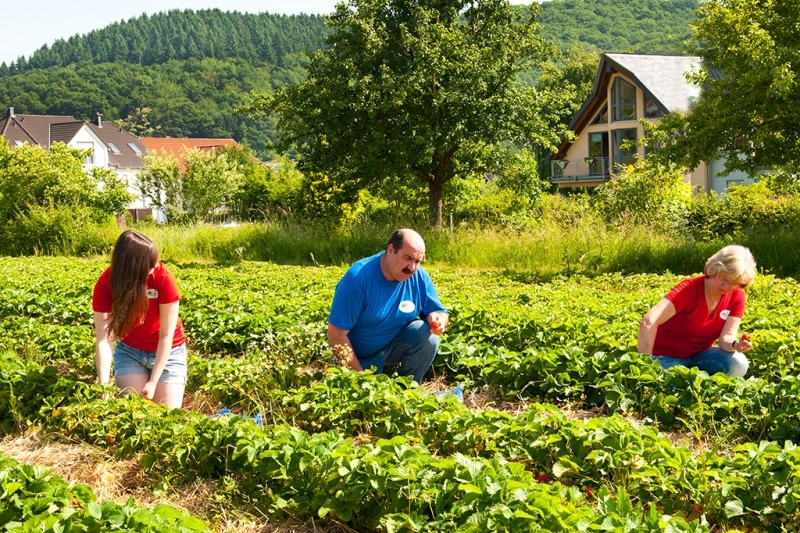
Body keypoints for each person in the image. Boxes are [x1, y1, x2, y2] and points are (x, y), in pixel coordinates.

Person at [327, 228, 448, 384]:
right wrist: (362, 380)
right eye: (407, 258)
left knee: (428, 337)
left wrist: (438, 319)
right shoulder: (357, 279)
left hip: (392, 346)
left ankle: (406, 391)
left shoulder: (419, 277)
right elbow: (336, 334)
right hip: (358, 356)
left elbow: (440, 312)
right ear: (390, 250)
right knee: (362, 403)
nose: (412, 267)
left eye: (417, 261)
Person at [92, 230, 187, 408]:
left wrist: (153, 382)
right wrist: (103, 385)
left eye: (154, 263)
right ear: (131, 269)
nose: (153, 269)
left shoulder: (163, 277)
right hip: (130, 351)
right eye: (148, 266)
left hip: (169, 352)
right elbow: (104, 340)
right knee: (133, 410)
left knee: (167, 415)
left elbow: (165, 336)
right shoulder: (106, 283)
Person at [638, 244, 756, 377]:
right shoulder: (690, 289)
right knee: (677, 387)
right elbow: (648, 321)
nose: (726, 286)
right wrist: (646, 365)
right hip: (666, 356)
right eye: (724, 278)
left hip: (701, 355)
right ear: (714, 269)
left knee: (738, 363)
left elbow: (726, 337)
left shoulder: (737, 295)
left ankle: (711, 392)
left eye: (734, 282)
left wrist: (735, 344)